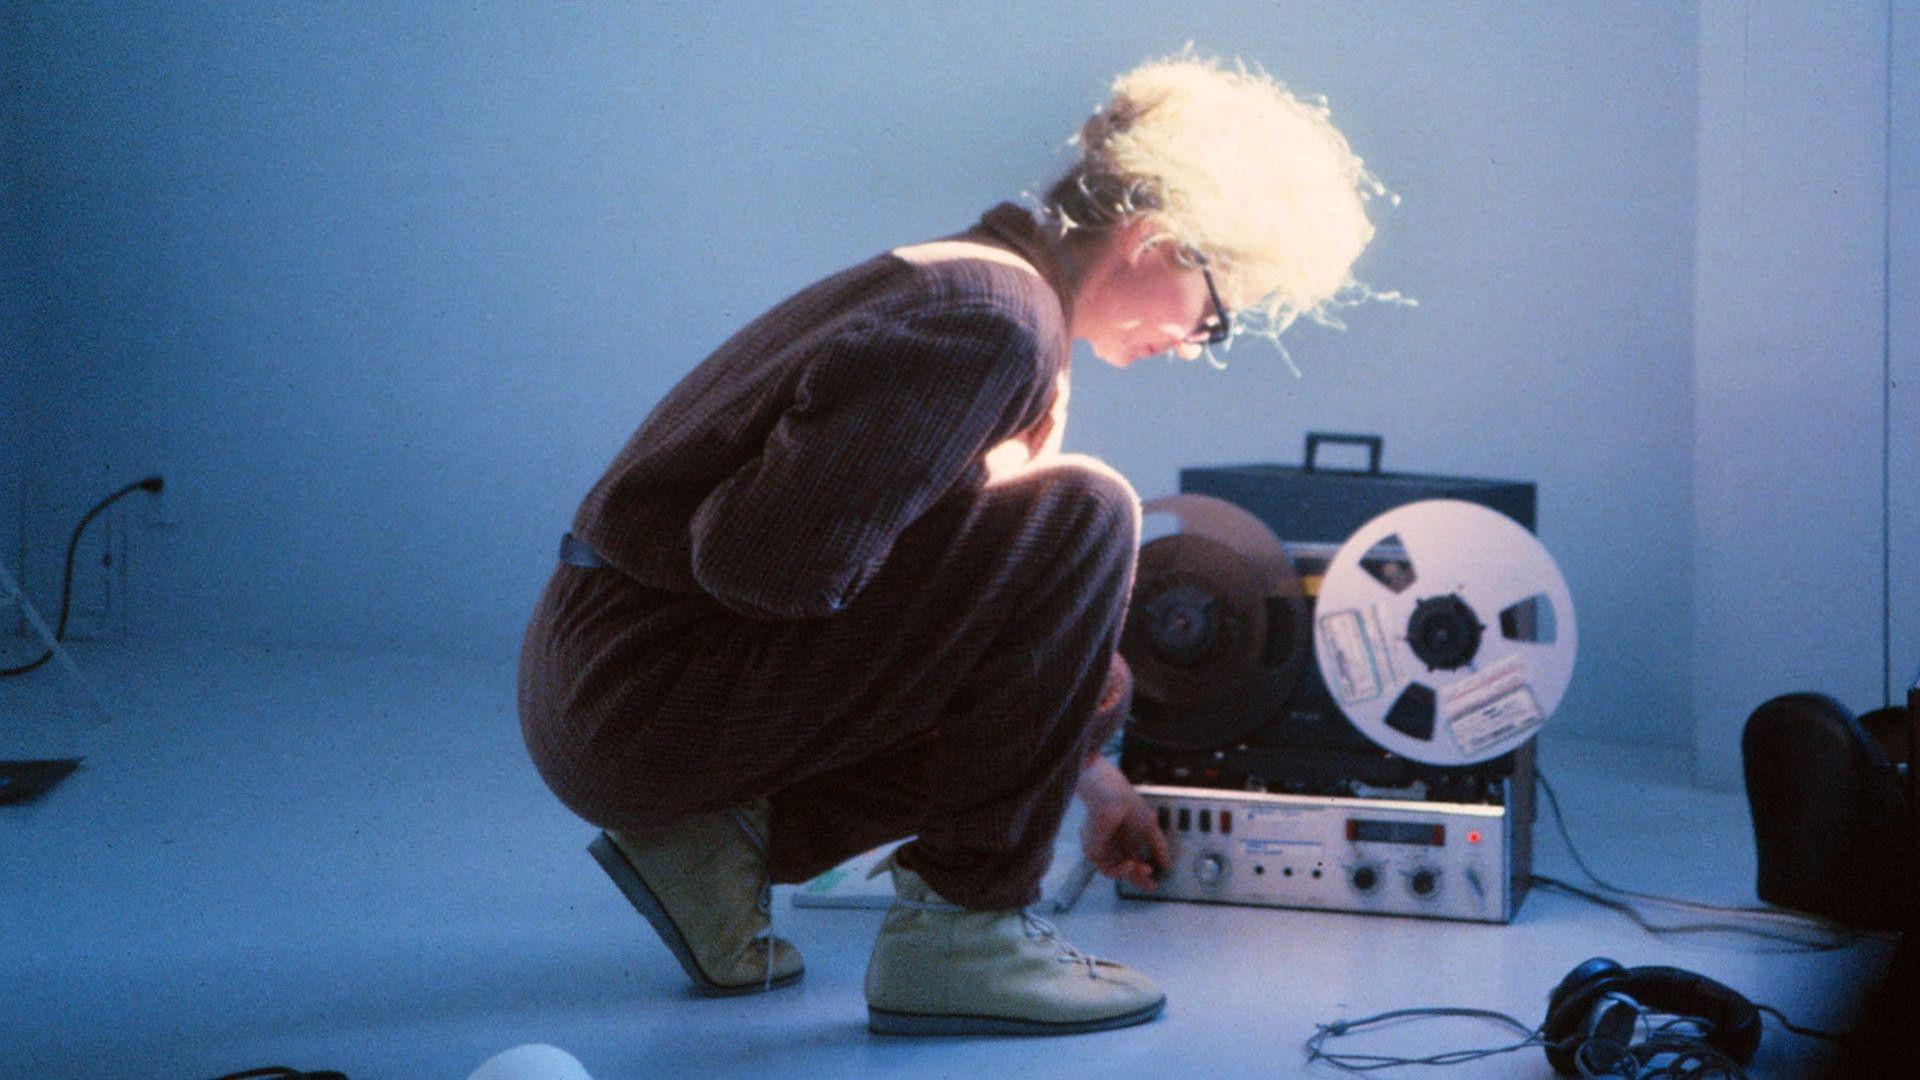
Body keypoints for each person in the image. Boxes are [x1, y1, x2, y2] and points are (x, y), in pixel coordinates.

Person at [517, 50, 1382, 1037]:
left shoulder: (975, 285)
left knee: (1094, 679)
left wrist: (1087, 775)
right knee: (1087, 512)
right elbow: (756, 563)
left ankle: (714, 851)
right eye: (1217, 317)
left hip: (609, 681)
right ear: (1156, 241)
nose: (1194, 345)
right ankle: (964, 934)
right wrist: (989, 550)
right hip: (634, 696)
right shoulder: (993, 321)